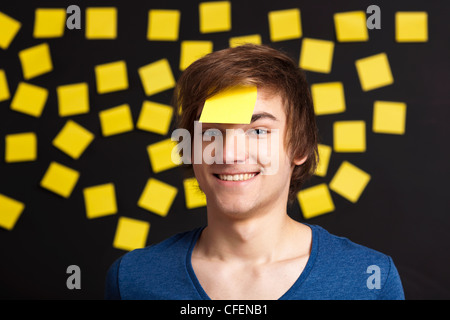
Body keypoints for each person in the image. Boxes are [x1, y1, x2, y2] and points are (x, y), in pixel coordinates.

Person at [105, 44, 404, 300]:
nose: (229, 153)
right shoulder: (132, 280)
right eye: (211, 132)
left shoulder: (369, 280)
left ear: (300, 147)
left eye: (258, 131)